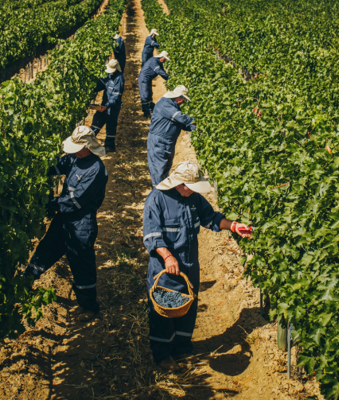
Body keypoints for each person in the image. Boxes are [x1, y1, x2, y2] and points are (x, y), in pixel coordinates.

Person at [143, 162, 253, 370]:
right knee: (163, 314)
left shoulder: (193, 199)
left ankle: (182, 348)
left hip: (189, 266)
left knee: (187, 310)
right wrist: (167, 256)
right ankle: (163, 356)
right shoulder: (156, 200)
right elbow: (152, 235)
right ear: (180, 184)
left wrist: (234, 226)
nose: (193, 191)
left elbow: (210, 218)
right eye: (191, 188)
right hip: (166, 272)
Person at [22, 126, 108, 320]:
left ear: (87, 147)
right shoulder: (74, 158)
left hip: (81, 224)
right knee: (46, 249)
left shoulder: (95, 170)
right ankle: (24, 283)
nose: (72, 150)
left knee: (80, 264)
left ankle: (89, 307)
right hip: (63, 218)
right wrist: (35, 166)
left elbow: (73, 202)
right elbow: (56, 166)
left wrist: (46, 202)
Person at [147, 85, 194, 187]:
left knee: (165, 167)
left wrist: (196, 128)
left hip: (168, 142)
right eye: (184, 99)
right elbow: (181, 118)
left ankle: (164, 191)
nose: (184, 102)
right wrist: (197, 122)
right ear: (178, 97)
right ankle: (158, 192)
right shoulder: (165, 104)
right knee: (158, 169)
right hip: (159, 141)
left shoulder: (173, 106)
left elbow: (181, 124)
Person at [90, 59, 124, 153]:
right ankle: (88, 142)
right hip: (104, 104)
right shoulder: (108, 75)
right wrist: (92, 89)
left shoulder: (119, 79)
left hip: (113, 107)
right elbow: (101, 84)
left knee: (111, 126)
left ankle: (109, 147)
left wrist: (107, 106)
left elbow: (115, 97)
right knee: (96, 122)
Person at [137, 51, 169, 119]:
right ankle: (146, 113)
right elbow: (159, 71)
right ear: (161, 57)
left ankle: (151, 109)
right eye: (165, 59)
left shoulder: (159, 63)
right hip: (144, 79)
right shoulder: (154, 61)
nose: (165, 60)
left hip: (148, 79)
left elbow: (162, 72)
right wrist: (168, 77)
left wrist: (168, 78)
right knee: (145, 95)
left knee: (149, 94)